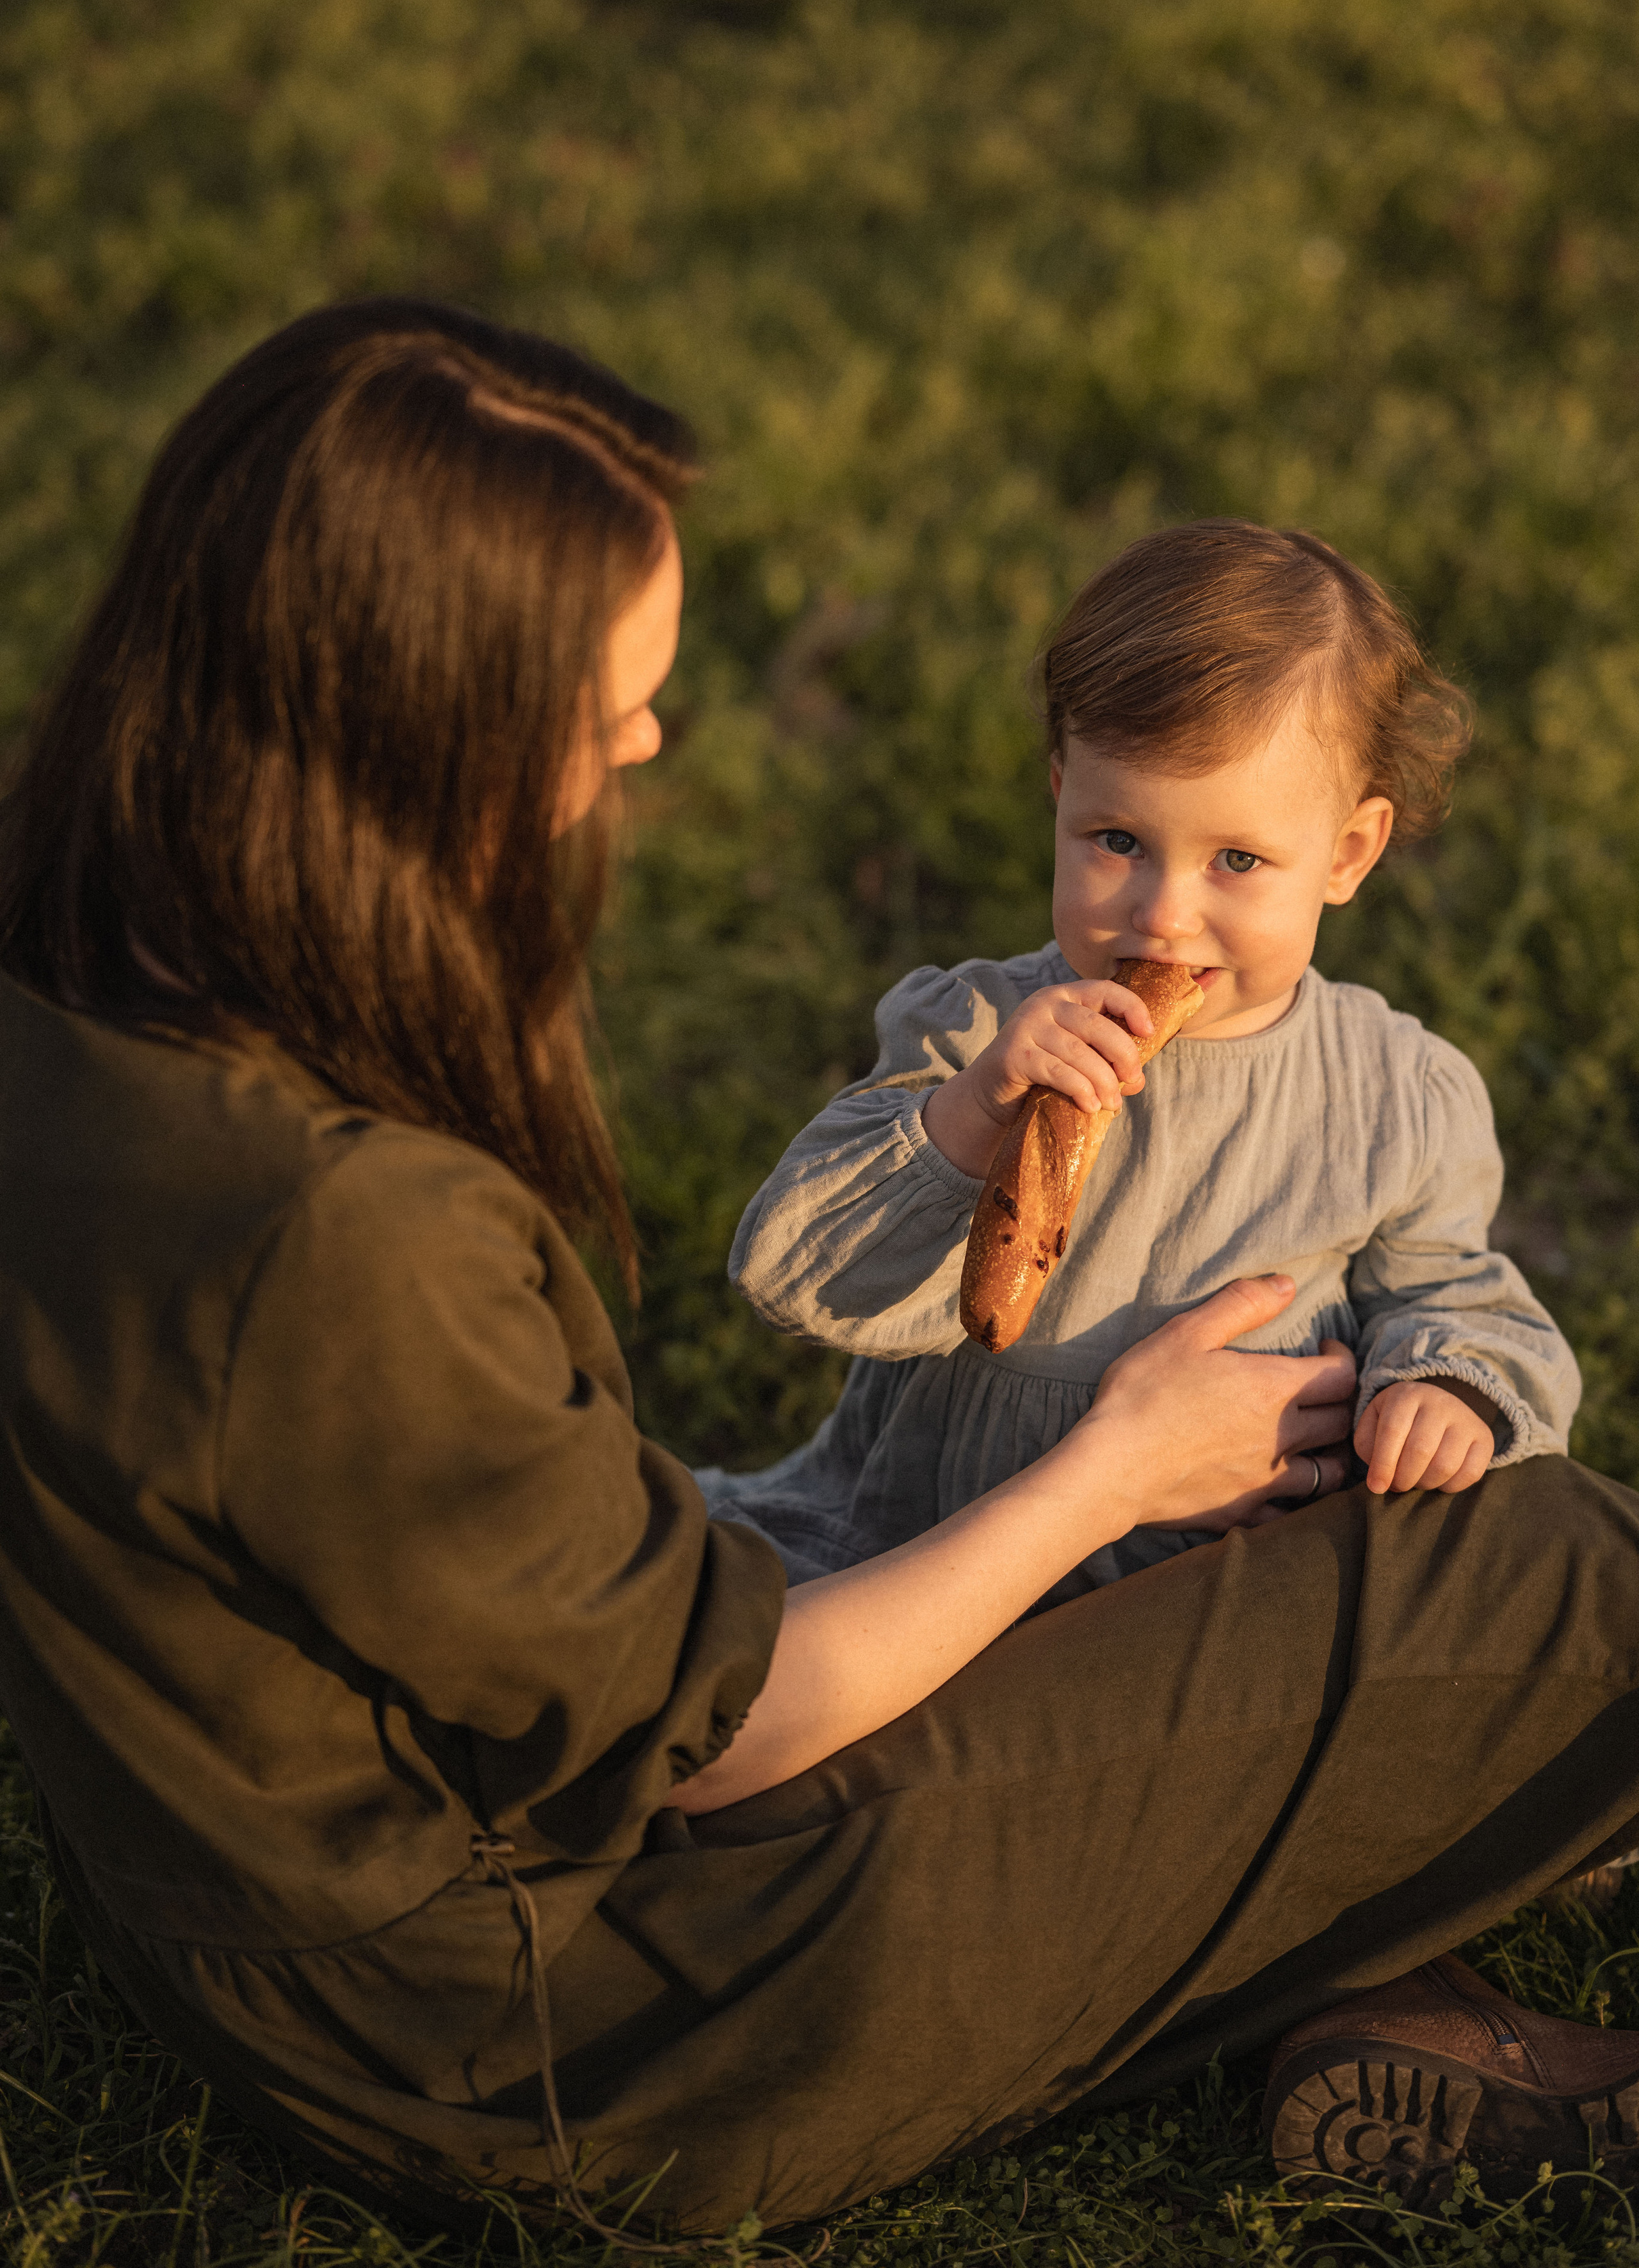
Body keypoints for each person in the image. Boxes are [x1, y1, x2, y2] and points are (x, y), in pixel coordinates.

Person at [0, 302, 1636, 2242]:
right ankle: (1349, 1933)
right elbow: (716, 1730)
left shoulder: (87, 978)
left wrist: (1433, 1384)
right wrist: (1115, 1465)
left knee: (1401, 1586)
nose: (649, 745)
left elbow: (1452, 1291)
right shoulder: (337, 1231)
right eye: (606, 713)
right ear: (411, 722)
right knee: (1562, 1588)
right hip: (563, 2013)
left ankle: (1328, 1922)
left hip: (316, 1897)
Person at [713, 523, 1578, 1602]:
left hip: (1209, 1597)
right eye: (1117, 840)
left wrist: (1447, 1390)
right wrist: (978, 1111)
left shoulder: (1395, 1100)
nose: (1164, 916)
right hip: (917, 1549)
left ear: (1347, 854)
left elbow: (1461, 1296)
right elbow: (796, 1276)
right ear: (1060, 792)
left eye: (1237, 860)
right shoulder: (982, 1033)